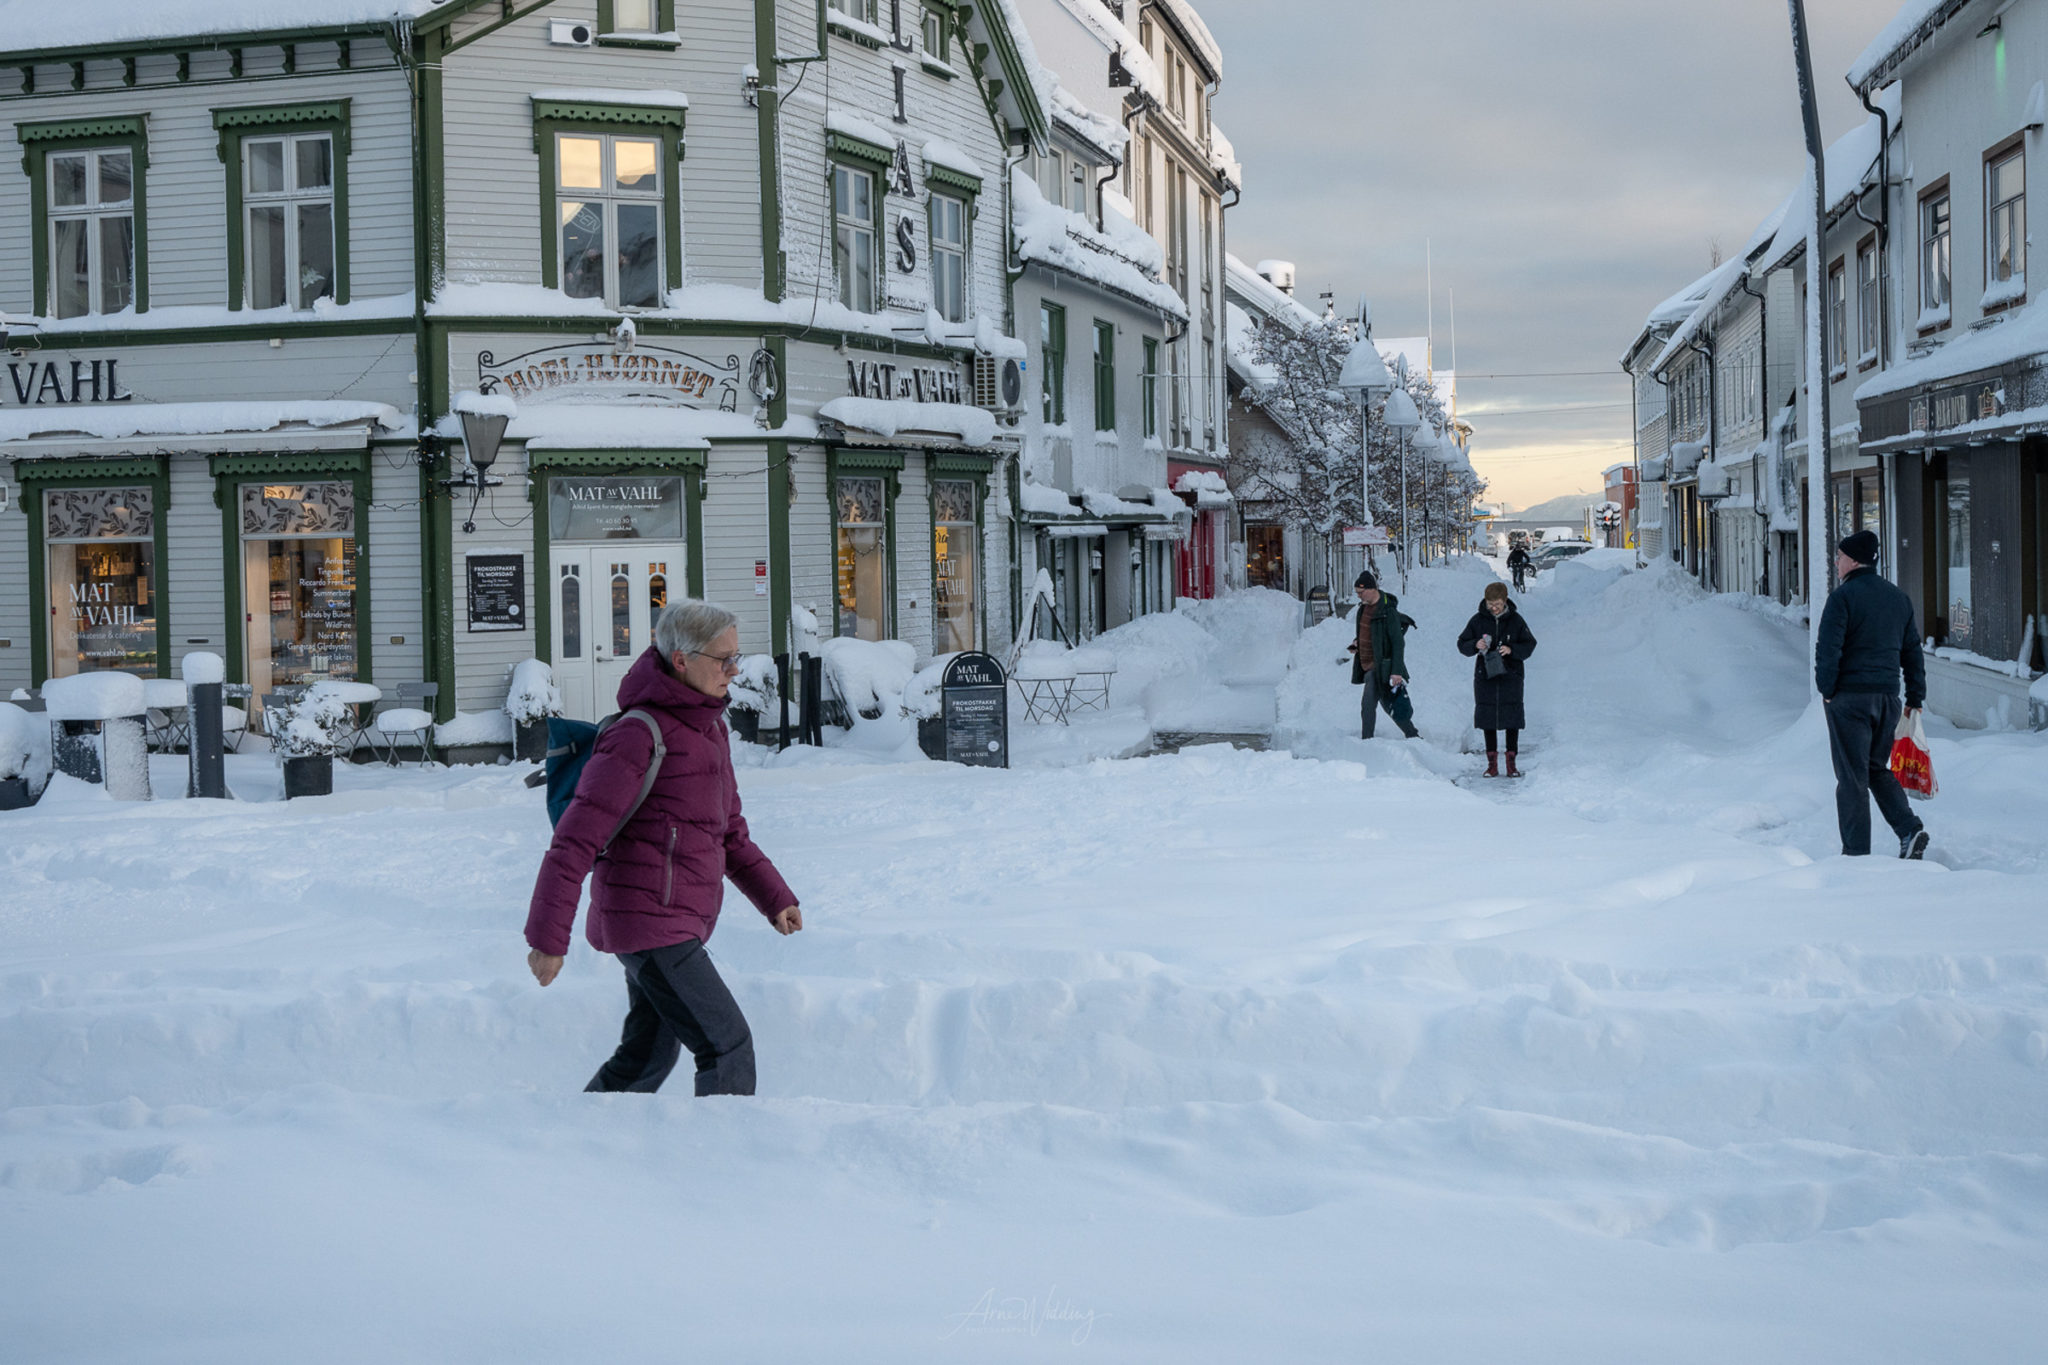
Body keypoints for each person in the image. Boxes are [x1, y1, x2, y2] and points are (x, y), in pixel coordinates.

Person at [525, 600, 803, 1094]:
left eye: (737, 657)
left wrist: (774, 896)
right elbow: (573, 840)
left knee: (647, 1052)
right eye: (723, 660)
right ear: (681, 659)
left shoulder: (710, 730)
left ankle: (583, 1145)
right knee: (726, 1044)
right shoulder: (637, 735)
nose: (734, 671)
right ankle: (727, 1159)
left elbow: (729, 832)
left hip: (671, 918)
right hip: (648, 920)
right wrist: (548, 939)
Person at [1815, 530, 1930, 859]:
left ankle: (1855, 856)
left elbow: (1828, 649)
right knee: (1876, 768)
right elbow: (1912, 653)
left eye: (1838, 557)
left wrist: (1827, 690)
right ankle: (1909, 829)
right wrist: (1914, 698)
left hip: (1850, 699)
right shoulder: (1898, 598)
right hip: (1887, 699)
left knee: (1852, 778)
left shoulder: (1843, 598)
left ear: (1852, 560)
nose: (1836, 563)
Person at [1456, 581, 1538, 777]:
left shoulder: (1516, 620)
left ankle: (1511, 764)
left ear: (1505, 601)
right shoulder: (1477, 620)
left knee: (1512, 718)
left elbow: (1530, 644)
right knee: (1488, 719)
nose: (1494, 608)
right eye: (1490, 604)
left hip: (1511, 675)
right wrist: (1475, 644)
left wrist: (1512, 650)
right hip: (1486, 676)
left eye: (1498, 604)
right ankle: (1492, 765)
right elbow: (1461, 643)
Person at [1346, 570, 1419, 739]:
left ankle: (1367, 742)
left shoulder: (1388, 612)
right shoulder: (1362, 610)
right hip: (1367, 665)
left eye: (1360, 592)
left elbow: (1398, 643)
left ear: (1371, 589)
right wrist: (1357, 643)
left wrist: (1397, 671)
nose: (1358, 596)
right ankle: (1413, 736)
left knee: (1368, 705)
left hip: (1381, 667)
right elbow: (1368, 633)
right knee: (1389, 705)